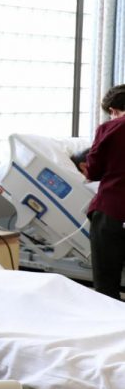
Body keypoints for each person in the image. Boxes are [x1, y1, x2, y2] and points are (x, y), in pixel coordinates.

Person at [77, 84, 125, 300]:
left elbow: (93, 170)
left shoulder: (109, 129)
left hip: (112, 210)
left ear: (114, 110)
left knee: (107, 285)